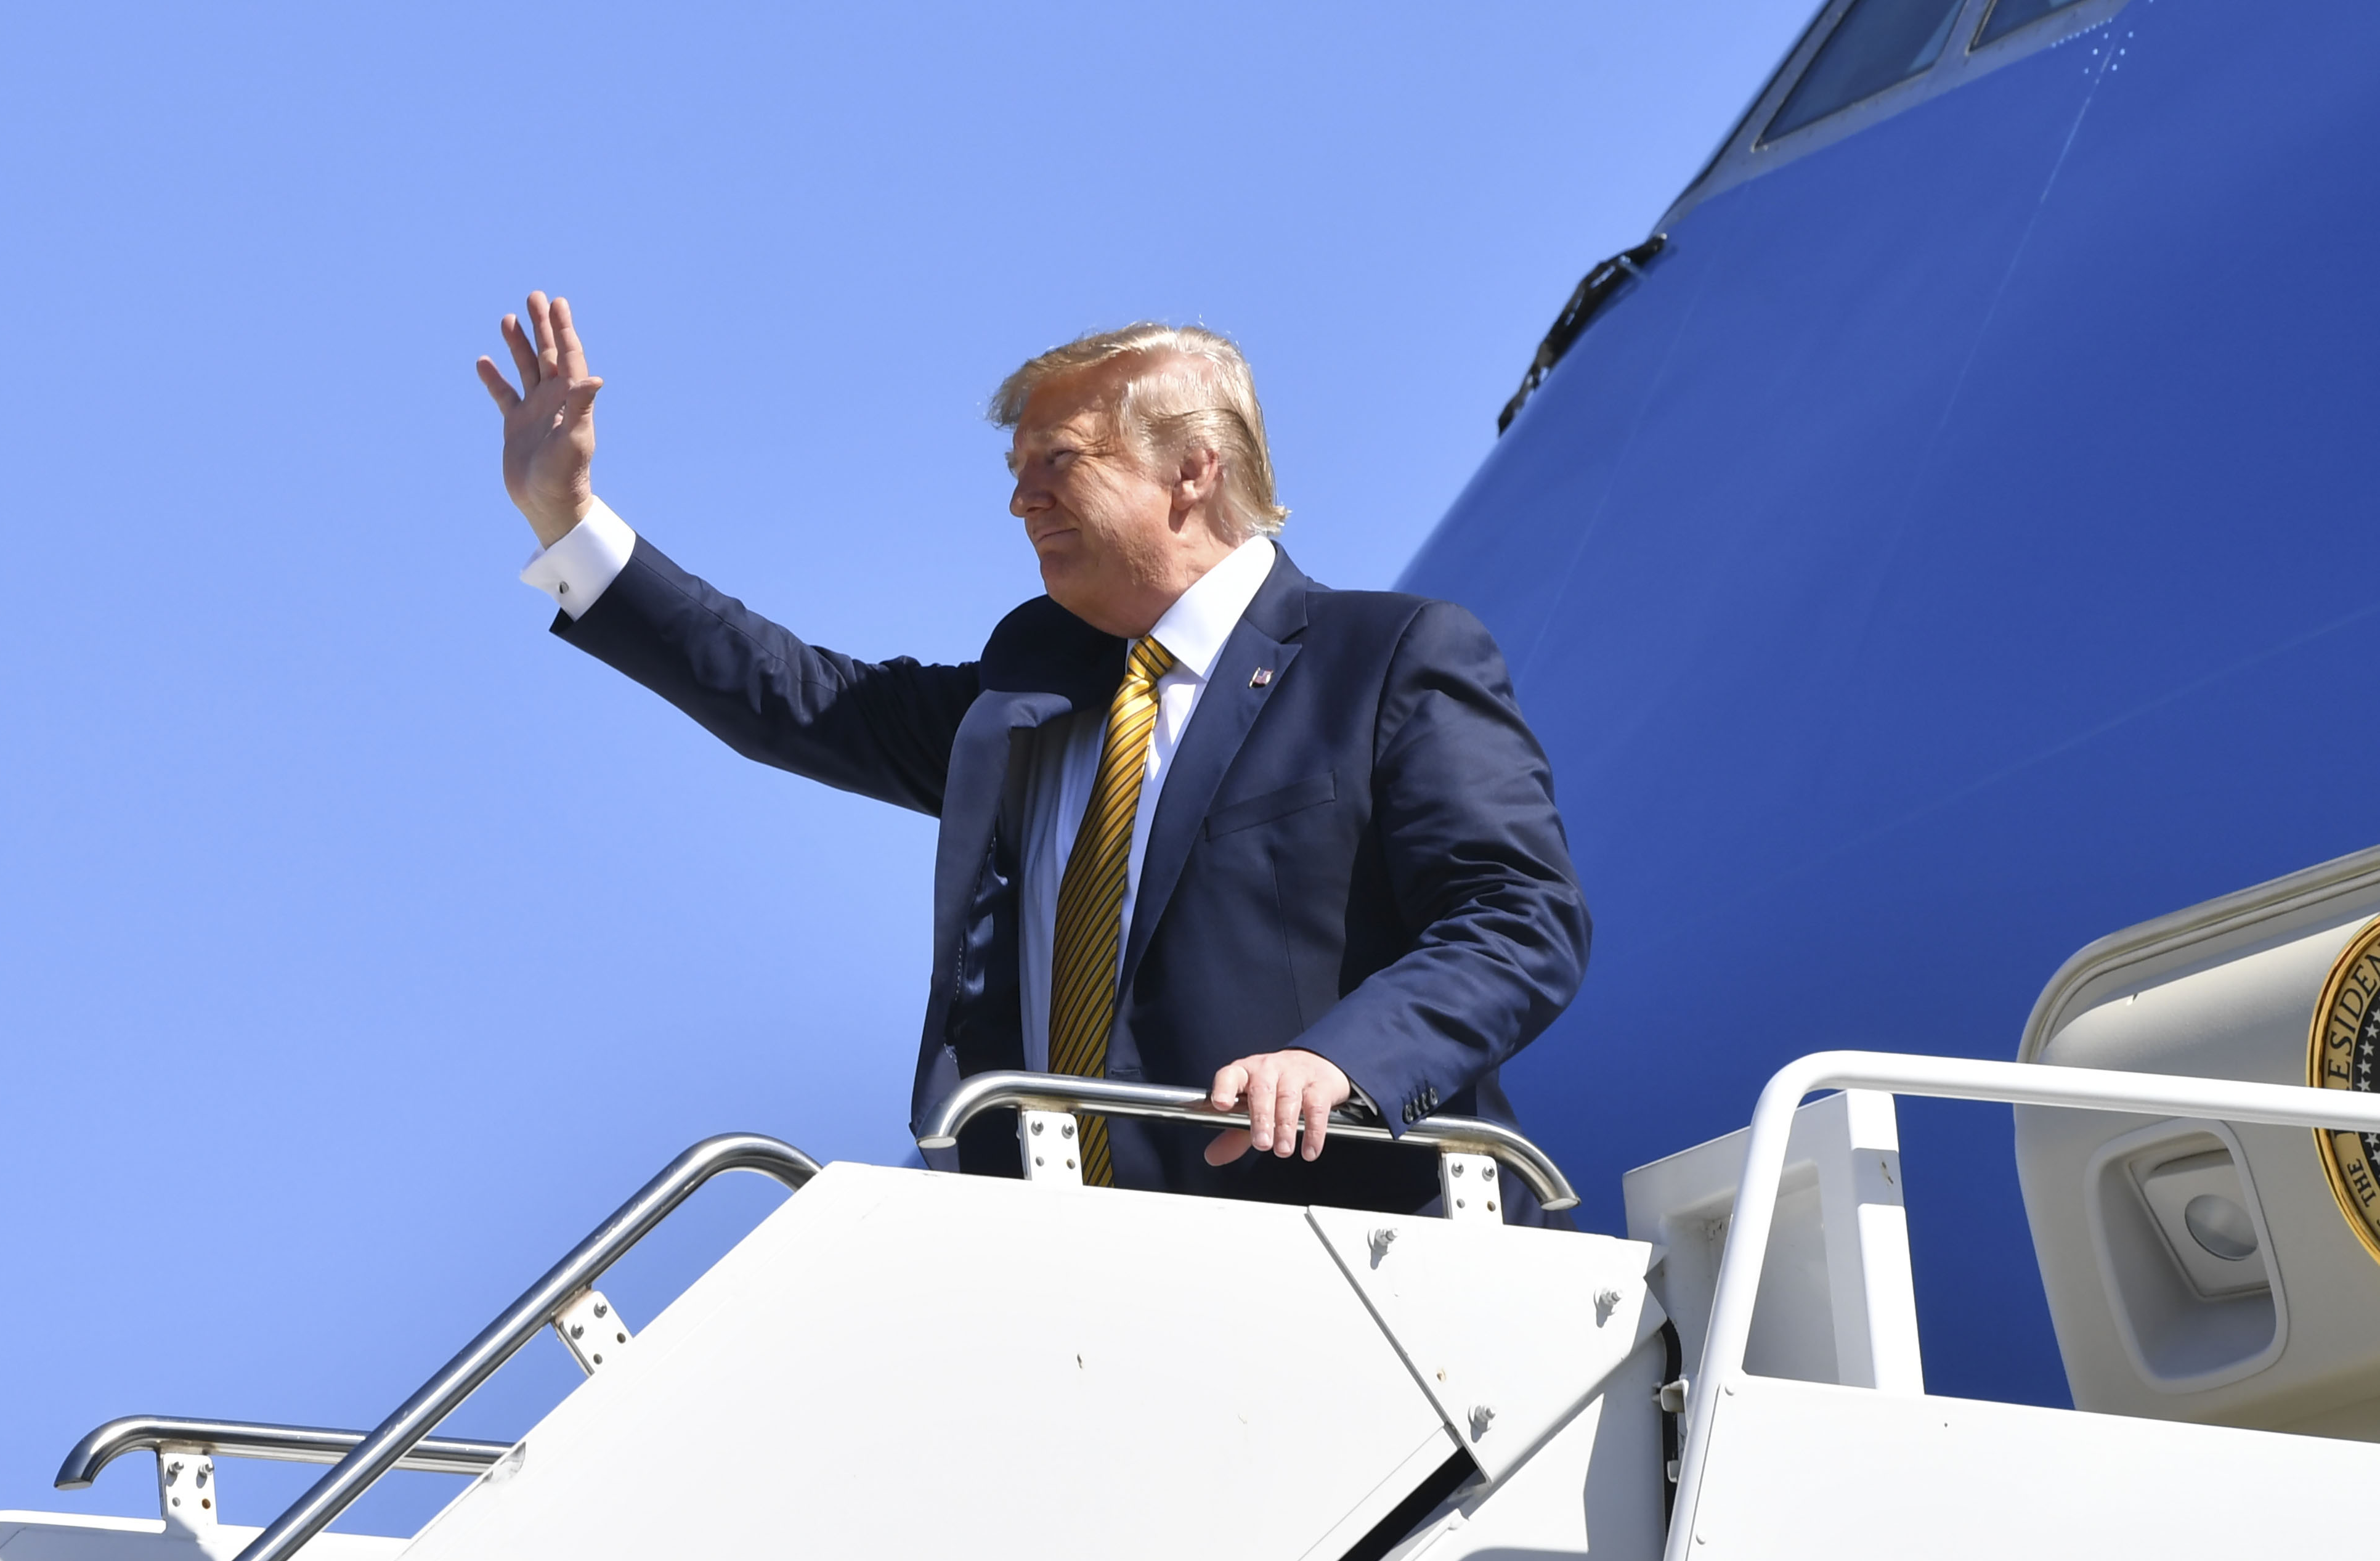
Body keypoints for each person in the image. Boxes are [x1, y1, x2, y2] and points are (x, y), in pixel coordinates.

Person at [474, 292, 1590, 1218]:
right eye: (1016, 470)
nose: (1020, 501)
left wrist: (1343, 1063)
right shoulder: (1036, 696)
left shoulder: (1382, 659)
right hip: (1055, 1267)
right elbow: (795, 699)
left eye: (1057, 462)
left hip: (1341, 1254)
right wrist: (565, 516)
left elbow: (1517, 922)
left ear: (1192, 472)